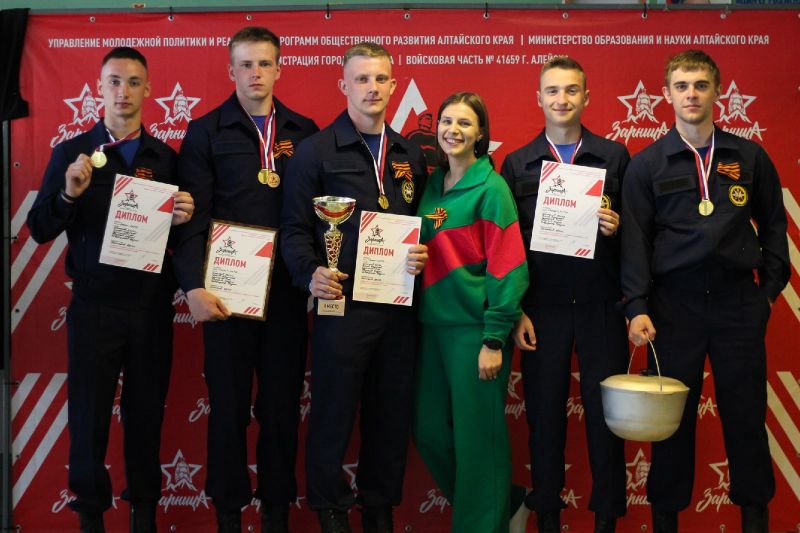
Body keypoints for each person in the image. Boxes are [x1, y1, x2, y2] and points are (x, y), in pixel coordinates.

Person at [26, 47, 194, 533]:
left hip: (150, 308)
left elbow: (183, 242)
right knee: (89, 416)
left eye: (134, 82)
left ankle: (144, 515)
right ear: (99, 88)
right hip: (94, 307)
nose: (124, 92)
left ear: (148, 90)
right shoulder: (72, 153)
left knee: (145, 417)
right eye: (114, 82)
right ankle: (91, 518)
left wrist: (183, 217)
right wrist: (68, 194)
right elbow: (38, 229)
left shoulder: (166, 158)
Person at [622, 49, 790, 533]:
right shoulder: (647, 164)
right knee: (670, 423)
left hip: (738, 303)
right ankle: (666, 522)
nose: (691, 94)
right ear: (666, 94)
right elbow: (634, 242)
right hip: (674, 306)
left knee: (746, 420)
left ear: (717, 91)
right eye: (681, 86)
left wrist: (766, 294)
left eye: (700, 85)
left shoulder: (748, 156)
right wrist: (636, 306)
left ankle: (755, 520)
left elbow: (775, 227)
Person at [171, 27, 318, 533]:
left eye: (265, 63)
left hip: (287, 295)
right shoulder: (205, 131)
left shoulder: (305, 132)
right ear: (231, 70)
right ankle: (228, 515)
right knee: (229, 410)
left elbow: (316, 217)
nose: (256, 73)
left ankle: (276, 513)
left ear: (280, 68)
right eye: (246, 64)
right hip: (225, 295)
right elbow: (191, 218)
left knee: (281, 410)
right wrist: (193, 286)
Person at [280, 42, 428, 533]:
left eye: (380, 78)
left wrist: (421, 253)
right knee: (333, 416)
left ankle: (379, 512)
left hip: (398, 310)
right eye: (361, 79)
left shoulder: (409, 153)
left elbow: (423, 225)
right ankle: (331, 513)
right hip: (340, 307)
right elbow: (294, 230)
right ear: (344, 85)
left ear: (393, 85)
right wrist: (309, 273)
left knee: (390, 418)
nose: (372, 88)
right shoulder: (315, 152)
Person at [499, 56, 628, 533]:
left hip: (602, 307)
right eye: (553, 91)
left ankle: (606, 522)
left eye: (572, 90)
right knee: (544, 420)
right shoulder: (517, 163)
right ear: (539, 98)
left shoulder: (614, 156)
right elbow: (507, 247)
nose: (562, 99)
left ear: (586, 97)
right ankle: (548, 519)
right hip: (542, 310)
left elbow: (636, 238)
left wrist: (615, 228)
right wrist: (516, 310)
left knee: (606, 420)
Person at [412, 92, 528, 533]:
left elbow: (508, 268)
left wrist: (493, 338)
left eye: (464, 123)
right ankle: (506, 503)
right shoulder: (431, 185)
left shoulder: (491, 189)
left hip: (474, 332)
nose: (453, 130)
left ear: (481, 134)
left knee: (478, 442)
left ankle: (484, 523)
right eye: (446, 121)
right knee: (429, 432)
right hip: (431, 328)